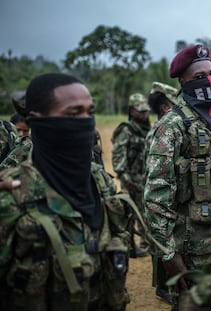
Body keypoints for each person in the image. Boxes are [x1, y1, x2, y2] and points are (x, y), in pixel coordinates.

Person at [0, 73, 131, 311]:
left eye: (89, 113)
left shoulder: (100, 182)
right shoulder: (12, 197)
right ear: (37, 121)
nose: (85, 122)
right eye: (73, 114)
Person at [144, 44, 211, 309]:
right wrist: (168, 255)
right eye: (199, 77)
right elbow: (156, 197)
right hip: (194, 249)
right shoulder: (172, 126)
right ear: (183, 82)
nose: (209, 80)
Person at [145, 81, 178, 305]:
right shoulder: (161, 131)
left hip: (163, 191)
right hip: (158, 193)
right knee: (162, 240)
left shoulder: (161, 128)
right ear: (166, 107)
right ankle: (163, 286)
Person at [111, 93, 151, 258]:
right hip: (130, 180)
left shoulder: (145, 130)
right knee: (130, 214)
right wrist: (126, 180)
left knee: (145, 212)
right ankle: (130, 247)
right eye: (140, 111)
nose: (144, 114)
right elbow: (118, 159)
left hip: (143, 179)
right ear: (132, 111)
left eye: (145, 111)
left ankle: (146, 242)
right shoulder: (126, 130)